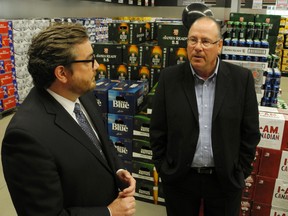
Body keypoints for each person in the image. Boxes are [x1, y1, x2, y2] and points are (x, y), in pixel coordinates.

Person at [1, 23, 136, 216]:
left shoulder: (83, 95)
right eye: (89, 60)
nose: (97, 66)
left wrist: (118, 170)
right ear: (62, 73)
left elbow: (102, 144)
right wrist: (109, 212)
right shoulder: (26, 137)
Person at [149, 16, 260, 216]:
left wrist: (240, 170)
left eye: (205, 41)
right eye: (193, 40)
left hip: (224, 179)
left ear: (219, 46)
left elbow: (250, 132)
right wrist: (164, 168)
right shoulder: (169, 78)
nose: (198, 47)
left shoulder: (241, 80)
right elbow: (158, 129)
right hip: (180, 178)